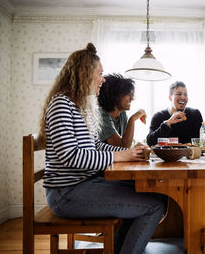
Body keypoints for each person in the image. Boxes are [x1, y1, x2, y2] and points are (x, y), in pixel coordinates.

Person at [38, 43, 166, 254]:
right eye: (100, 73)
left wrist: (128, 154)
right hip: (67, 193)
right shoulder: (61, 105)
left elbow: (94, 145)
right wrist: (122, 155)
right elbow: (72, 157)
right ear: (84, 74)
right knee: (154, 206)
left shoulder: (78, 105)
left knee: (154, 193)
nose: (103, 79)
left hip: (85, 183)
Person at [146, 81, 203, 146]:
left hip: (189, 155)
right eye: (179, 94)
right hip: (166, 156)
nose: (183, 97)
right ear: (170, 98)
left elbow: (200, 143)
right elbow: (150, 142)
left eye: (185, 94)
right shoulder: (158, 116)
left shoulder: (195, 114)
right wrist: (168, 123)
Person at [98, 73, 146, 148]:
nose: (132, 99)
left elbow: (125, 145)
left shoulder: (122, 113)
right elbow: (123, 146)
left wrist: (134, 148)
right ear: (115, 95)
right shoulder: (101, 115)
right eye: (129, 94)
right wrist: (132, 119)